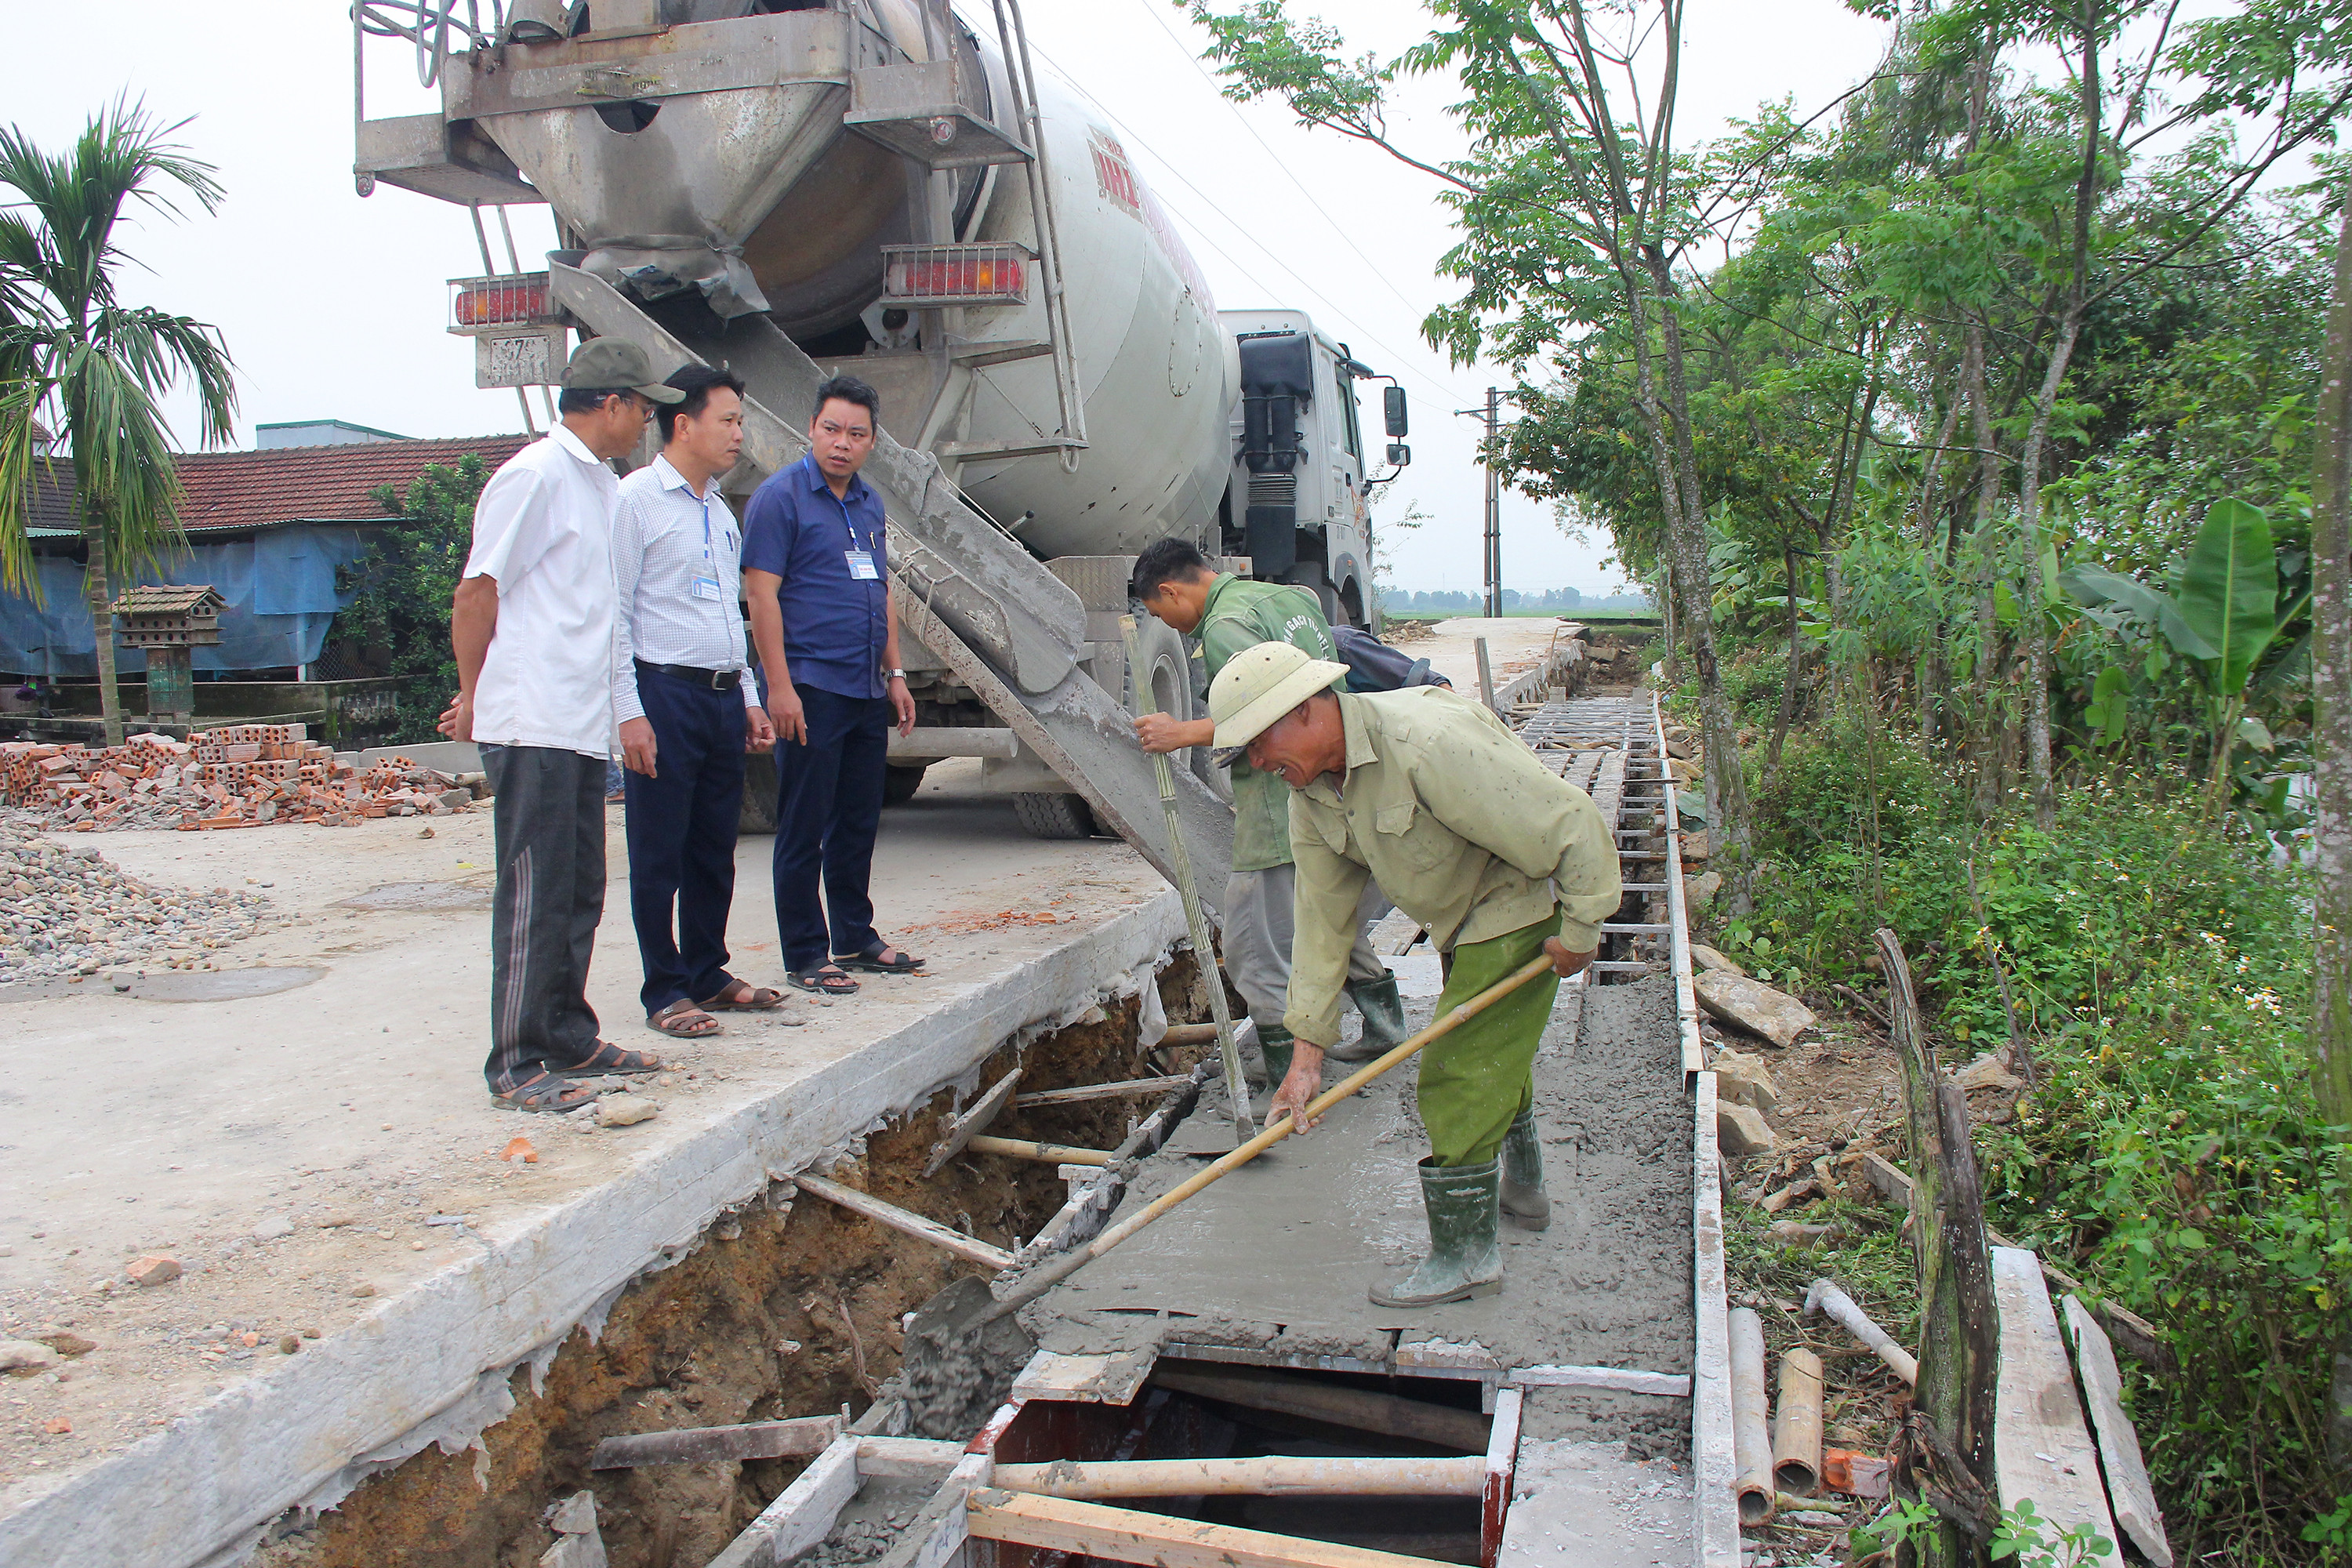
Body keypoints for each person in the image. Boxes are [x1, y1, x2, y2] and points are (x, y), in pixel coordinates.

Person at [1203, 641, 1622, 1307]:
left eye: (1257, 743)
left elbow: (1568, 818)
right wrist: (1306, 1056)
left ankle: (1466, 1257)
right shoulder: (1310, 795)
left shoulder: (1423, 742)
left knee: (1460, 1074)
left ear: (1310, 710)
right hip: (1460, 916)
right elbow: (1322, 923)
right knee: (1494, 1058)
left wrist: (1582, 927)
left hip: (1517, 905)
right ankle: (1524, 1189)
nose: (1255, 764)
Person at [439, 338, 683, 1112]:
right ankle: (515, 1061)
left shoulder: (604, 487)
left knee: (580, 887)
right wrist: (473, 693)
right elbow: (477, 591)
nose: (647, 419)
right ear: (610, 403)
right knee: (535, 892)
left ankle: (568, 1032)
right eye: (642, 406)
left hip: (577, 724)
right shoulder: (535, 476)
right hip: (531, 715)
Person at [1127, 539, 1405, 1087]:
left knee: (1254, 946)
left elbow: (1263, 714)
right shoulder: (1286, 600)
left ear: (1171, 590)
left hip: (1279, 805)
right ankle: (1385, 1030)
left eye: (1167, 616)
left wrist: (1180, 732)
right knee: (1328, 916)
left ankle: (1287, 1077)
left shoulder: (1227, 625)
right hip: (1332, 785)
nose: (1178, 630)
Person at [612, 364, 788, 1040]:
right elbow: (615, 615)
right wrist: (628, 710)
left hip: (718, 695)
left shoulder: (719, 511)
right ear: (683, 424)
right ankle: (665, 989)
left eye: (740, 422)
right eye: (729, 420)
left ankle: (707, 970)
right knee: (659, 848)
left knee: (715, 845)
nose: (740, 435)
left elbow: (727, 617)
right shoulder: (635, 502)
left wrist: (747, 695)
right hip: (662, 691)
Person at [741, 375, 921, 998]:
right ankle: (805, 951)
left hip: (866, 688)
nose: (842, 443)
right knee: (805, 821)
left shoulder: (869, 504)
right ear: (812, 430)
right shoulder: (780, 498)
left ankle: (855, 934)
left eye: (856, 433)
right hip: (811, 685)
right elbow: (761, 596)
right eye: (831, 429)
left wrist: (895, 675)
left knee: (856, 819)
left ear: (872, 442)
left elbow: (882, 590)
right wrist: (779, 688)